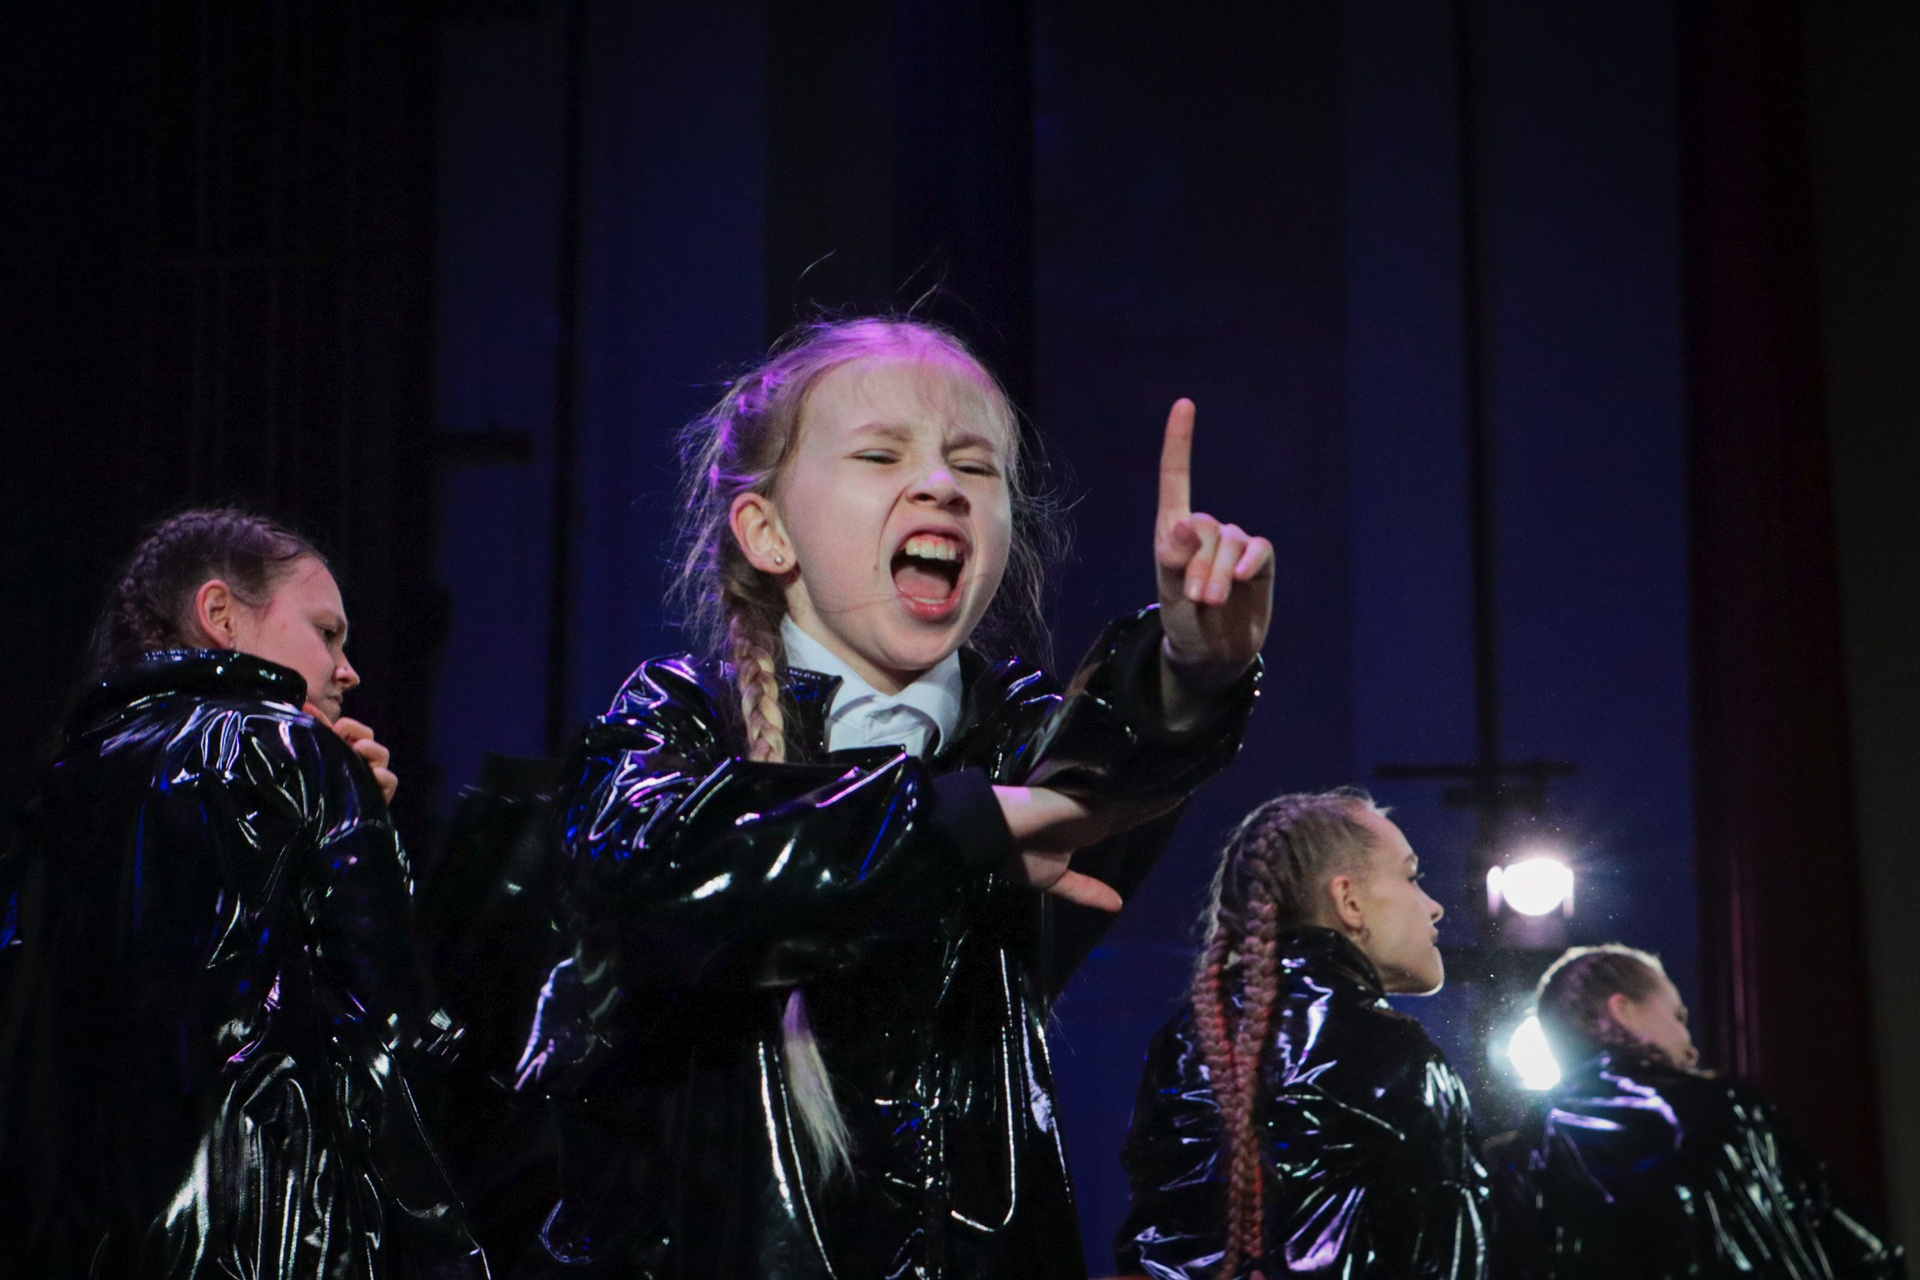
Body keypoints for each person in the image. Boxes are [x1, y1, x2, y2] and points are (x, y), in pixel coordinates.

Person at [504, 316, 1273, 1278]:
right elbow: (657, 866)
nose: (942, 485)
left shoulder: (1017, 739)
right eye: (880, 455)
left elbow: (1113, 760)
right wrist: (960, 826)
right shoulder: (680, 720)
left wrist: (1191, 671)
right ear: (767, 531)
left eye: (976, 467)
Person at [0, 508, 485, 1279]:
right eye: (327, 633)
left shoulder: (62, 782)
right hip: (270, 1237)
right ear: (221, 614)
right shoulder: (295, 747)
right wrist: (365, 828)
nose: (348, 670)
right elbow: (393, 1036)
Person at [1113, 789, 1490, 1280]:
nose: (1434, 907)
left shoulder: (1184, 1043)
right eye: (1412, 876)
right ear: (1349, 901)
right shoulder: (1395, 1056)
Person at [1490, 944, 1904, 1280]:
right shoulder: (1720, 1113)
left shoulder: (1517, 1161)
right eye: (1677, 1016)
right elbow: (1855, 1250)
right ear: (1623, 1010)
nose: (1690, 1046)